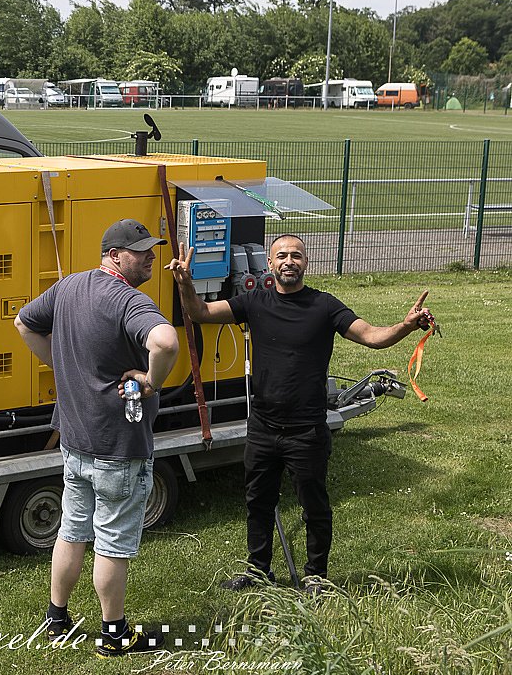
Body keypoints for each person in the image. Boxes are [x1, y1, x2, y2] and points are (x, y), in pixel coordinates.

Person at [166, 234, 432, 592]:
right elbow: (200, 313)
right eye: (281, 256)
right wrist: (185, 284)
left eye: (296, 255)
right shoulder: (254, 302)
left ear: (306, 262)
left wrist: (406, 325)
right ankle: (258, 571)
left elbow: (372, 337)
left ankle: (316, 577)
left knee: (314, 507)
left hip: (307, 429)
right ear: (270, 264)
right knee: (258, 502)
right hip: (263, 426)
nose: (289, 261)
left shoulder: (325, 306)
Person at [15, 219, 179, 657]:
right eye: (140, 251)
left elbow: (23, 323)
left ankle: (57, 620)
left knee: (71, 531)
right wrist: (151, 382)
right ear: (114, 256)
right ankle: (114, 634)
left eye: (152, 248)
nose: (150, 256)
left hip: (74, 441)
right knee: (112, 542)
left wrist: (59, 363)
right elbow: (165, 342)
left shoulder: (68, 286)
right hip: (118, 448)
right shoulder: (129, 300)